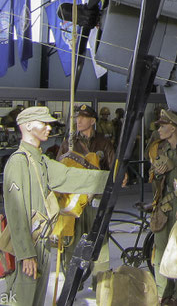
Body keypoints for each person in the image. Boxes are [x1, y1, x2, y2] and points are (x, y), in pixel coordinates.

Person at [3, 106, 109, 306]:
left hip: (41, 243)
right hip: (27, 245)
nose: (48, 127)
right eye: (43, 123)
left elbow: (70, 177)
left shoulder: (40, 161)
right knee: (23, 300)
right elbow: (16, 214)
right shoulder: (19, 163)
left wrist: (109, 179)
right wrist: (26, 254)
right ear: (27, 126)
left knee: (36, 300)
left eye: (48, 123)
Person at [57, 104, 116, 277]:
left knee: (99, 242)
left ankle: (101, 283)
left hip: (95, 201)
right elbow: (59, 167)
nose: (78, 120)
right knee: (72, 242)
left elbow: (114, 170)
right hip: (73, 200)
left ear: (92, 121)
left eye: (83, 117)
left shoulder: (103, 143)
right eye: (77, 117)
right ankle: (73, 281)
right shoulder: (69, 142)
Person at [148, 109, 177, 306]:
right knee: (160, 249)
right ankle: (162, 293)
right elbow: (153, 178)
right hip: (164, 203)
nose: (159, 129)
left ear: (173, 128)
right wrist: (157, 173)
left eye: (162, 126)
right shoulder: (160, 149)